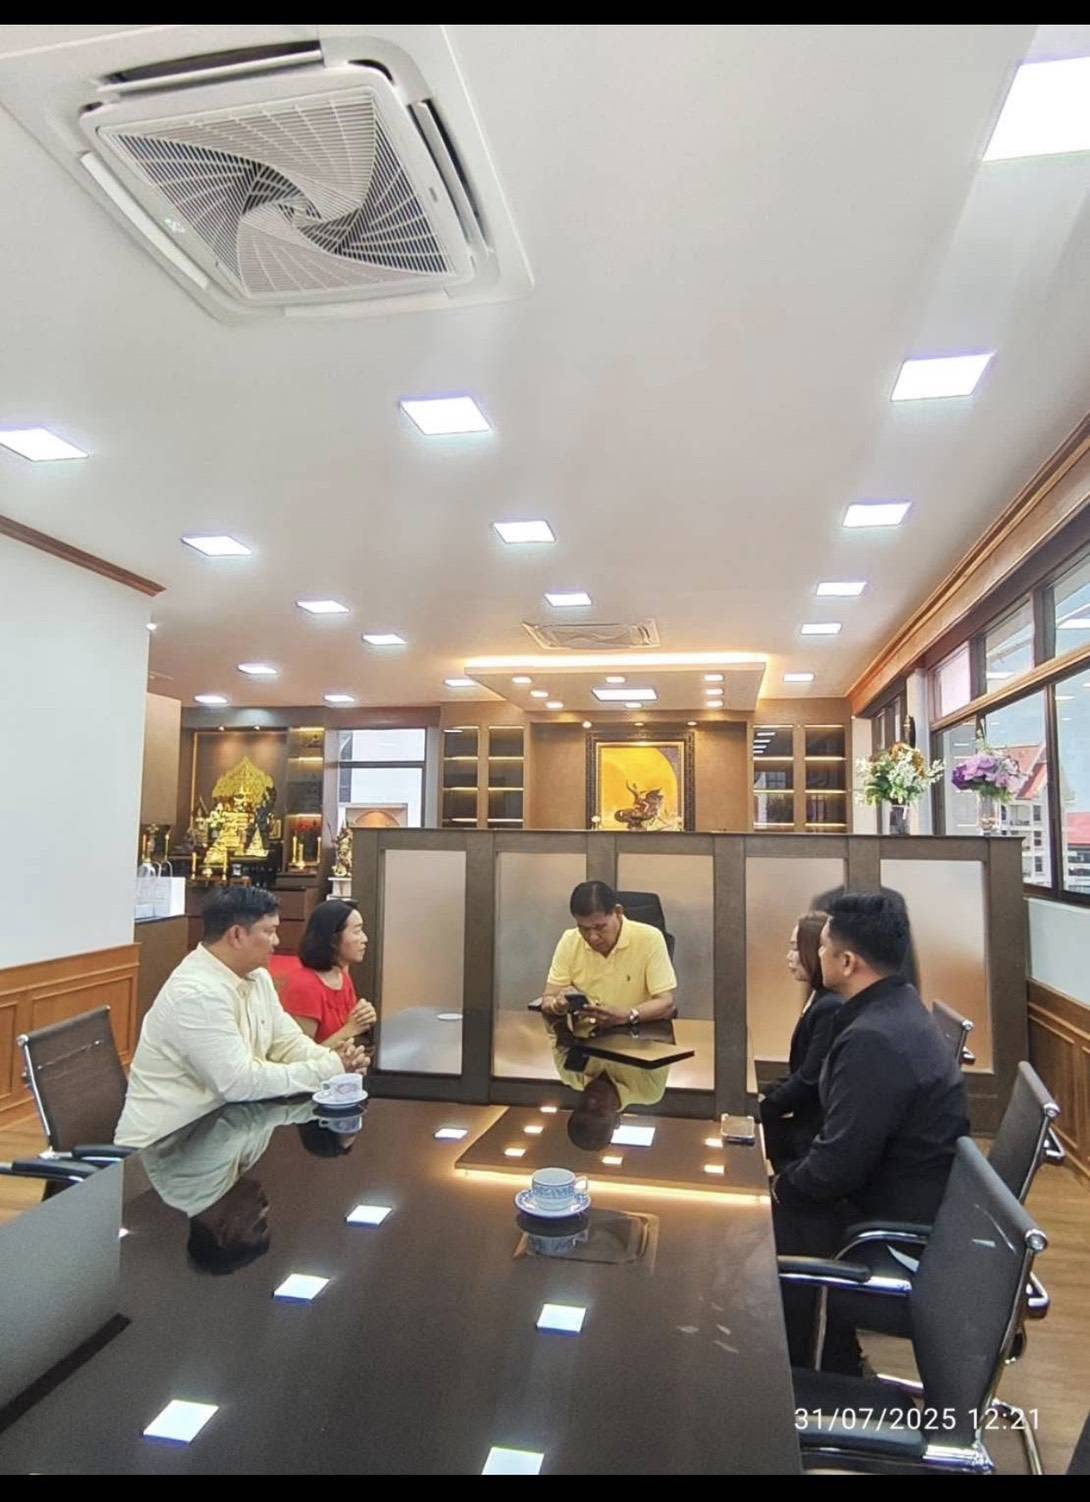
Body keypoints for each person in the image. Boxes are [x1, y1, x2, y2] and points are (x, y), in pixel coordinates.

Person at [771, 892, 968, 1374]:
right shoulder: (898, 1007)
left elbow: (834, 1169)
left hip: (884, 1225)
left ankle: (805, 1377)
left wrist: (777, 1186)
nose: (816, 954)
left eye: (823, 947)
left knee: (752, 1230)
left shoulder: (873, 1039)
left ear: (847, 962)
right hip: (900, 1199)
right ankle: (828, 1359)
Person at [116, 887, 367, 1150]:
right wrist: (329, 1069)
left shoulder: (257, 976)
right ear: (237, 935)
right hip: (165, 1150)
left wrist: (337, 1061)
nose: (277, 941)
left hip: (223, 1135)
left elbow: (286, 1042)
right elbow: (238, 1082)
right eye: (269, 931)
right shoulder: (196, 994)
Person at [537, 880, 677, 1035]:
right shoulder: (570, 940)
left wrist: (626, 1015)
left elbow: (666, 1003)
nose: (593, 937)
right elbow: (548, 998)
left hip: (637, 1035)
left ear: (618, 912)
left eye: (600, 927)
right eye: (584, 929)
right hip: (586, 1037)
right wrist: (557, 1005)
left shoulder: (649, 938)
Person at [759, 912, 841, 1171]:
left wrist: (763, 1107)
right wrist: (765, 1094)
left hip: (811, 1133)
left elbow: (809, 1078)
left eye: (795, 948)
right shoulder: (819, 996)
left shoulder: (830, 1006)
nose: (789, 956)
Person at [280, 899, 377, 1047]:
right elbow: (300, 1056)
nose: (365, 939)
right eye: (357, 931)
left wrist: (364, 1017)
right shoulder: (304, 986)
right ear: (332, 938)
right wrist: (351, 1029)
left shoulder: (341, 976)